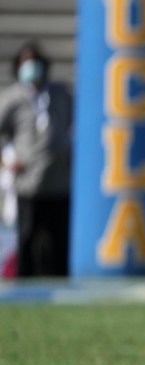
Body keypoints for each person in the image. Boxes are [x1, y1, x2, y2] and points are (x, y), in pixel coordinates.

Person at [0, 41, 73, 277]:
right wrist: (6, 162)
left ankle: (62, 289)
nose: (31, 67)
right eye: (25, 63)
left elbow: (77, 124)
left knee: (59, 241)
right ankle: (25, 289)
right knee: (27, 239)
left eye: (35, 62)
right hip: (28, 184)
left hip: (59, 182)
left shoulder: (60, 94)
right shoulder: (12, 99)